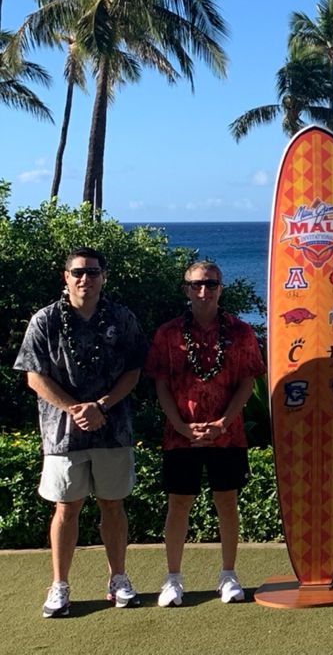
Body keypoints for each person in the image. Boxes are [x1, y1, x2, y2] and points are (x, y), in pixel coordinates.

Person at [14, 247, 147, 617]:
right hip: (62, 435)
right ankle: (59, 585)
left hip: (113, 430)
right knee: (66, 508)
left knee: (112, 505)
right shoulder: (44, 321)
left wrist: (100, 406)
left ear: (103, 276)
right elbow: (34, 377)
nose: (85, 279)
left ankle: (118, 578)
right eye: (78, 272)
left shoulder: (122, 319)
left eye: (92, 272)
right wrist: (76, 409)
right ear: (66, 277)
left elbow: (134, 371)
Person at [145, 262, 264, 606]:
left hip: (227, 434)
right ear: (186, 289)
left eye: (211, 284)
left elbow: (248, 381)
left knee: (226, 501)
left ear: (220, 288)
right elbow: (161, 383)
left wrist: (223, 422)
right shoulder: (167, 334)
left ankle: (228, 575)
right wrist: (182, 426)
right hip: (180, 435)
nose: (204, 290)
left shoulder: (240, 332)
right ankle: (173, 579)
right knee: (178, 504)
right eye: (197, 284)